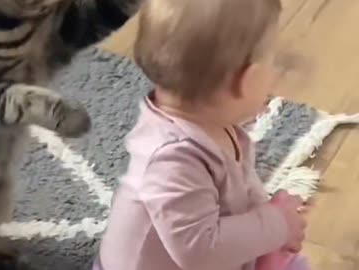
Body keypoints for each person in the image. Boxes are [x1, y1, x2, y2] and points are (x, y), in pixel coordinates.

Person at [93, 0, 311, 269]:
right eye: (271, 60)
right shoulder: (171, 160)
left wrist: (269, 215)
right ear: (249, 79)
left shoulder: (213, 125)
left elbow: (236, 187)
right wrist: (278, 224)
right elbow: (199, 252)